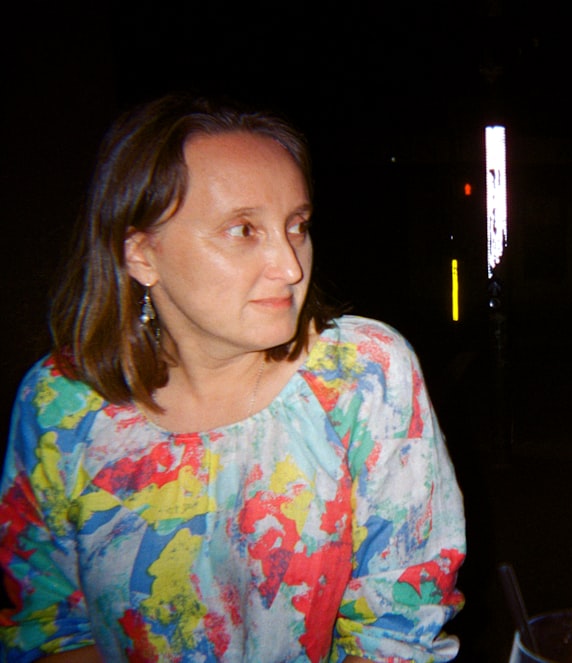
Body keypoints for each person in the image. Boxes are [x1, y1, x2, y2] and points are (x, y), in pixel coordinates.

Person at [0, 94, 466, 662]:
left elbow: (397, 627)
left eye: (296, 226)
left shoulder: (362, 377)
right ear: (141, 253)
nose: (291, 266)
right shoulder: (61, 403)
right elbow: (52, 626)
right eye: (243, 230)